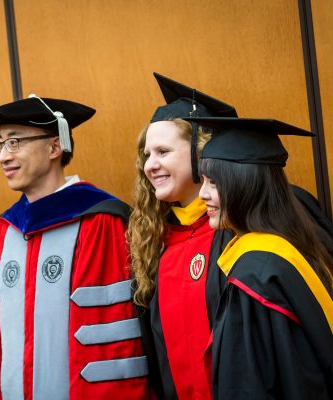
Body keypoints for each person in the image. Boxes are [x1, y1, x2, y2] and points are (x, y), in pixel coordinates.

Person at [0, 95, 153, 399]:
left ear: (54, 147)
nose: (2, 156)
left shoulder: (98, 222)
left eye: (15, 142)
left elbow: (109, 339)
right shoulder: (3, 231)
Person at [192, 116, 333, 399]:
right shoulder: (296, 248)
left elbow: (245, 385)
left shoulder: (254, 277)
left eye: (214, 183)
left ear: (247, 184)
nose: (202, 194)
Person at [127, 73, 237, 399]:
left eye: (163, 151)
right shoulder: (154, 245)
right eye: (147, 155)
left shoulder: (239, 232)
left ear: (200, 153)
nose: (151, 165)